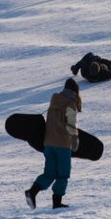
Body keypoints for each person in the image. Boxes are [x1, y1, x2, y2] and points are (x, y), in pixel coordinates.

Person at [25, 78, 82, 210]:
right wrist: (74, 139)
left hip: (49, 143)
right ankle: (57, 202)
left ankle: (32, 192)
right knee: (63, 174)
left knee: (49, 173)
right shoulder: (70, 104)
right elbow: (71, 124)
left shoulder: (54, 100)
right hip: (62, 144)